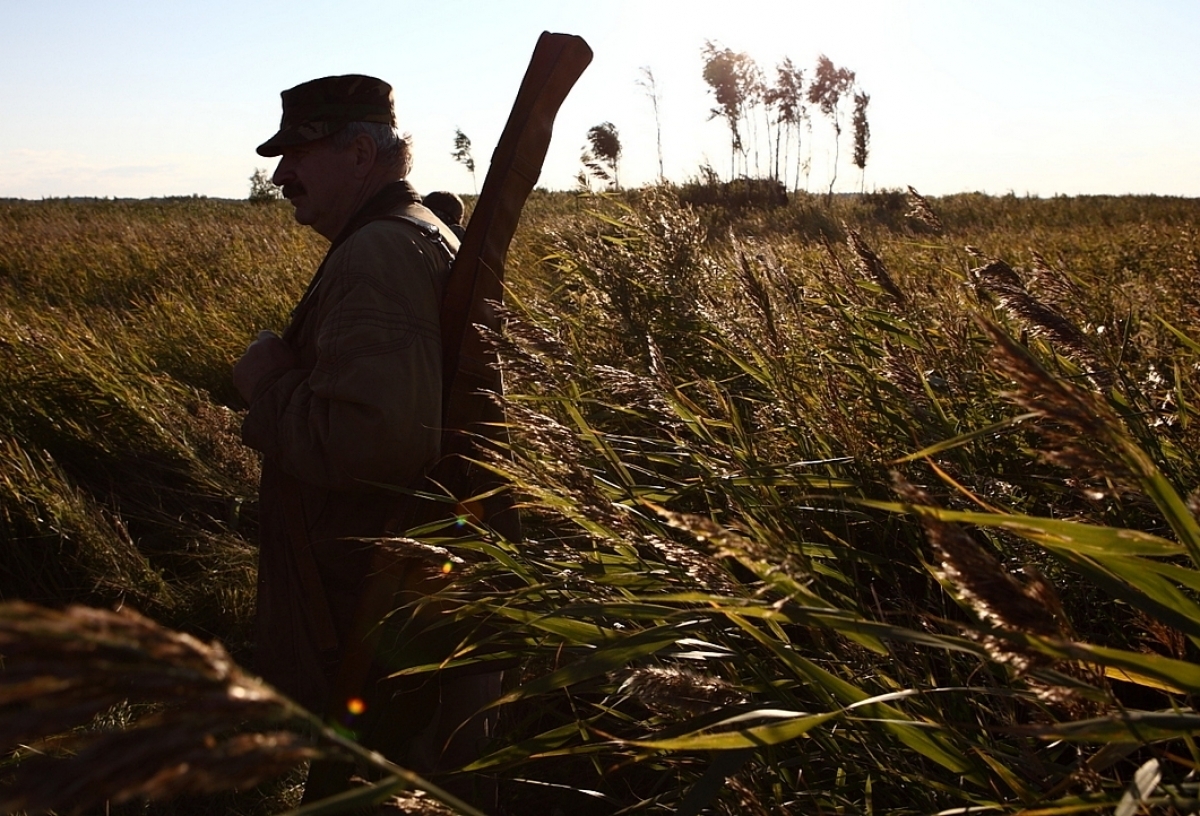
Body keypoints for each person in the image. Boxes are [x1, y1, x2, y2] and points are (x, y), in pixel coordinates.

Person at [233, 75, 492, 786]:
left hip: (365, 618)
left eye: (299, 151)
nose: (281, 173)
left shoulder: (377, 253)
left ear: (356, 153)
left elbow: (375, 443)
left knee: (362, 784)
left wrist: (268, 386)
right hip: (387, 604)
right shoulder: (412, 233)